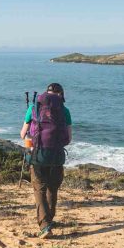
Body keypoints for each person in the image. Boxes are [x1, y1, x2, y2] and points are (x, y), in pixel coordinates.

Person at [19, 83, 72, 239]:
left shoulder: (34, 108)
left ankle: (45, 225)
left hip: (38, 155)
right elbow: (68, 139)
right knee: (52, 189)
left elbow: (23, 134)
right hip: (57, 156)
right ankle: (49, 220)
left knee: (39, 189)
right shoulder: (65, 110)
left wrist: (31, 139)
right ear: (61, 95)